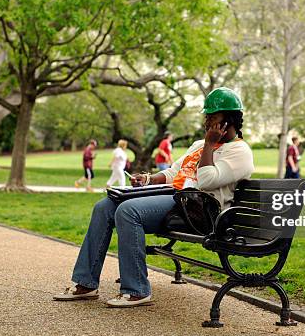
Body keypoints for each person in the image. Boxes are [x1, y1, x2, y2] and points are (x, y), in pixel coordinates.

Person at [54, 87, 254, 307]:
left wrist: (209, 145)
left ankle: (137, 289)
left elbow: (206, 181)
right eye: (206, 117)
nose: (207, 123)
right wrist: (148, 180)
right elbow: (174, 172)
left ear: (230, 120)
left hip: (200, 210)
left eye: (213, 118)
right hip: (176, 199)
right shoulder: (198, 145)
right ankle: (86, 283)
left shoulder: (239, 152)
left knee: (128, 211)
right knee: (104, 206)